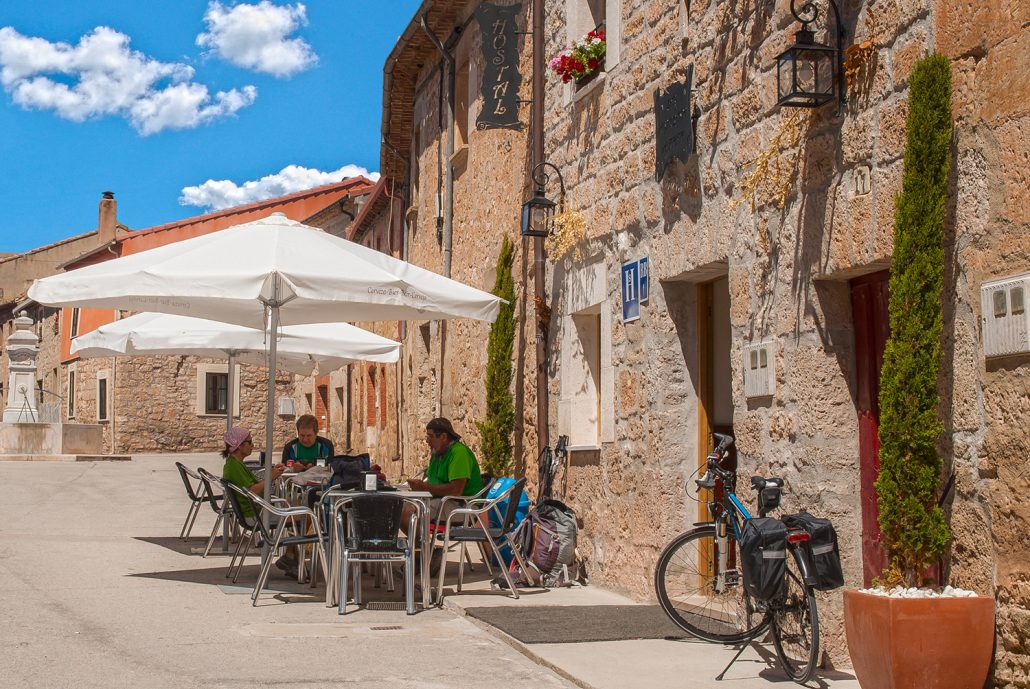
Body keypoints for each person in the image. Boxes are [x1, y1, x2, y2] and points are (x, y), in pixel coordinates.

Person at [220, 426, 295, 577]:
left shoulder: (235, 464)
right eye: (249, 442)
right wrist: (271, 476)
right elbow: (252, 491)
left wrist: (273, 471)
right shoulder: (234, 467)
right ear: (239, 445)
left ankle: (291, 555)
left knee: (294, 504)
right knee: (305, 515)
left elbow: (252, 484)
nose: (252, 445)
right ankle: (292, 556)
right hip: (255, 515)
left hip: (255, 510)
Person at [407, 417, 483, 524]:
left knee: (409, 512)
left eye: (431, 437)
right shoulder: (437, 454)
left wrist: (424, 487)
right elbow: (432, 482)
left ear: (443, 437)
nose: (427, 441)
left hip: (461, 506)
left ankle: (418, 541)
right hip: (443, 502)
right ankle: (417, 540)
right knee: (400, 506)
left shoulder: (459, 453)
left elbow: (456, 490)